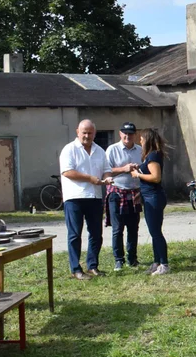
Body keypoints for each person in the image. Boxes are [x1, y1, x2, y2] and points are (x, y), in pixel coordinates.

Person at [59, 119, 112, 280]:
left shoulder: (100, 151)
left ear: (94, 133)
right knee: (75, 234)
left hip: (94, 197)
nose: (87, 136)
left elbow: (107, 170)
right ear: (77, 132)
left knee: (96, 233)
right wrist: (90, 178)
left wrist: (107, 178)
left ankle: (92, 266)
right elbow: (67, 172)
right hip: (74, 197)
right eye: (84, 133)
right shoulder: (69, 149)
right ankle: (76, 269)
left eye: (90, 133)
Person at [105, 122, 143, 271]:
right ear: (120, 134)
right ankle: (118, 260)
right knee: (117, 229)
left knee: (133, 228)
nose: (128, 136)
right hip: (117, 192)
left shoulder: (139, 150)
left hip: (134, 192)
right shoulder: (112, 149)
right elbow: (106, 171)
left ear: (135, 135)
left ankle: (132, 259)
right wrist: (124, 169)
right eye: (125, 133)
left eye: (131, 133)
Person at [132, 128, 170, 275]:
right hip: (148, 196)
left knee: (156, 232)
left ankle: (164, 264)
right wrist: (140, 170)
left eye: (141, 139)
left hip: (154, 197)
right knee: (153, 231)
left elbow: (156, 177)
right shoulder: (149, 156)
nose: (140, 141)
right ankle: (156, 262)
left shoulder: (153, 156)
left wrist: (137, 175)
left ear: (147, 140)